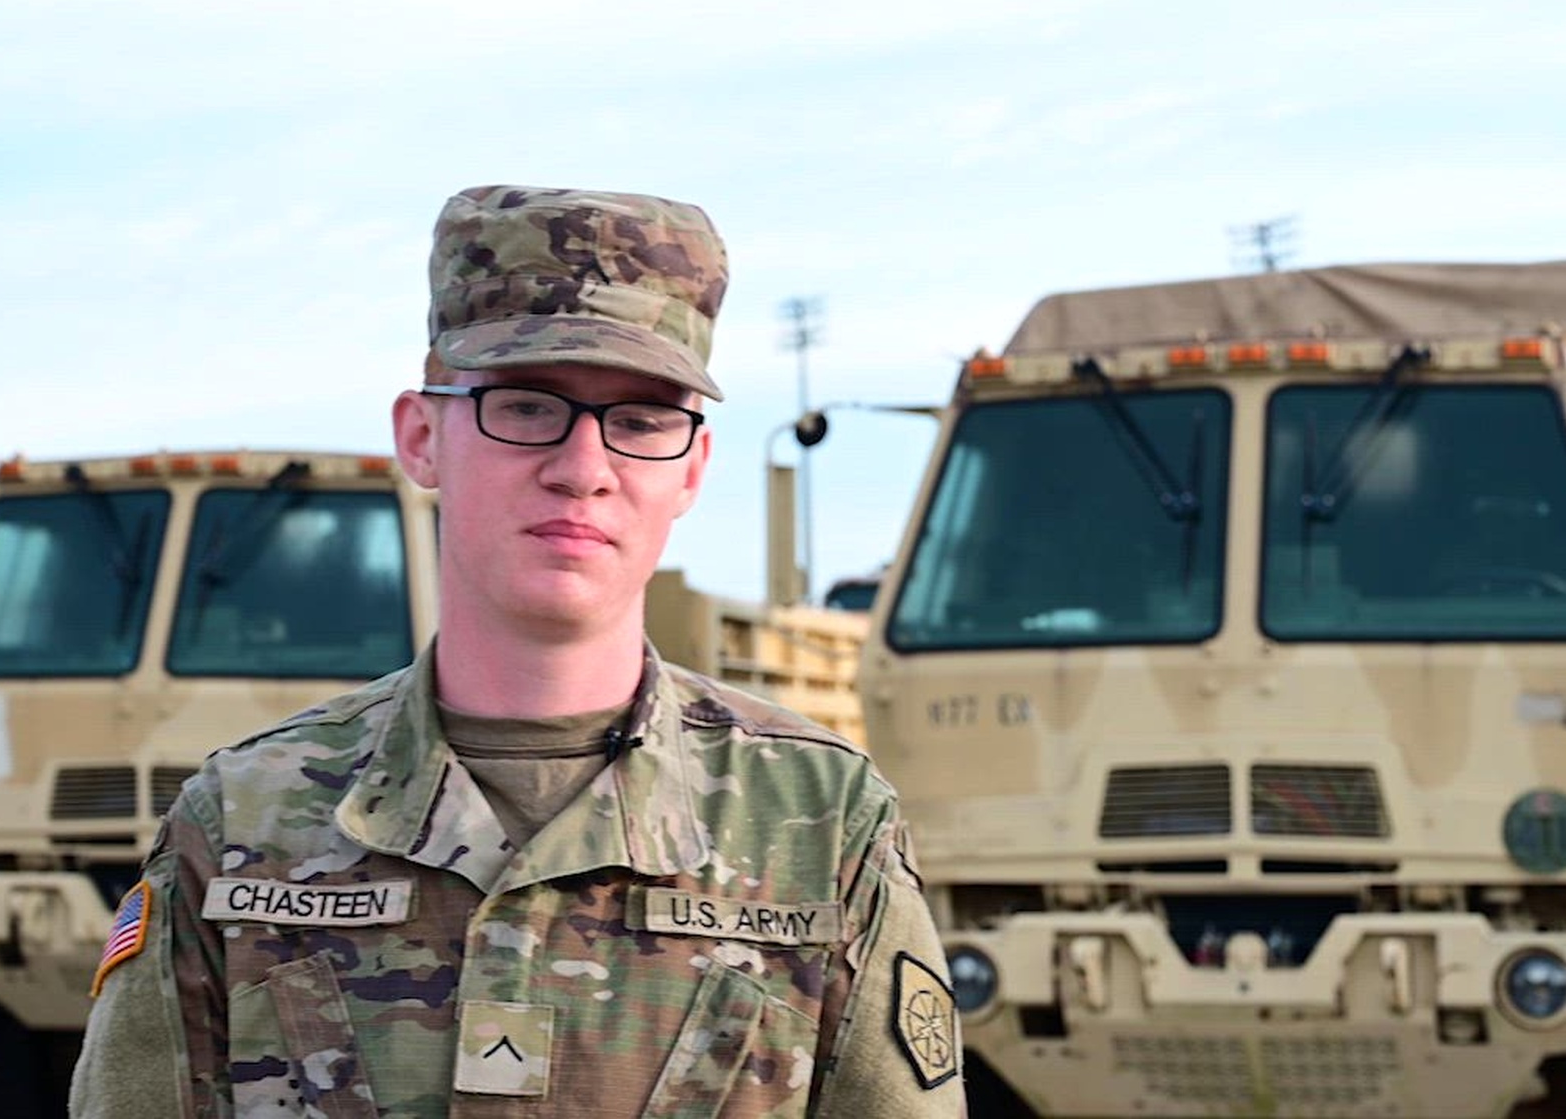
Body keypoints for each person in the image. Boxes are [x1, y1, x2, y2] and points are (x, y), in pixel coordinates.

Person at [70, 186, 966, 1118]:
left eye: (644, 420)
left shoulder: (820, 824)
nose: (584, 467)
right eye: (528, 406)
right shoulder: (245, 821)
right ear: (421, 437)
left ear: (692, 469)